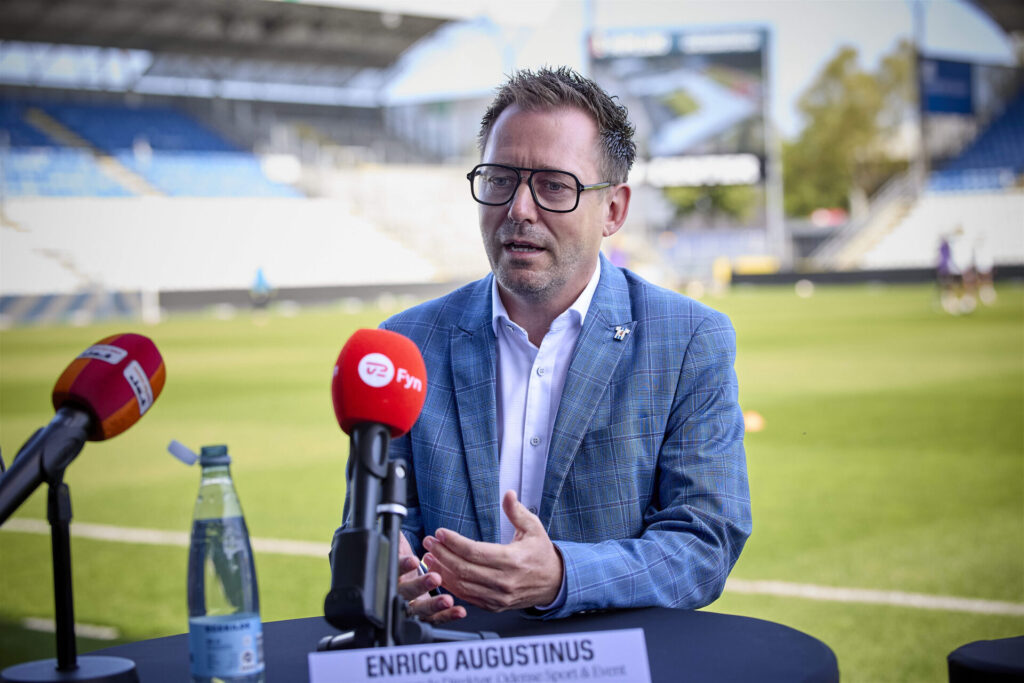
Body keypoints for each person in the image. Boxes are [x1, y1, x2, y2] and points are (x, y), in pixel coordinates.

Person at [336, 67, 751, 622]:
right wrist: (386, 572)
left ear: (614, 210)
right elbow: (362, 533)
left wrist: (561, 575)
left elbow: (705, 543)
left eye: (554, 185)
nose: (519, 209)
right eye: (500, 179)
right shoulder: (404, 347)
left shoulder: (688, 340)